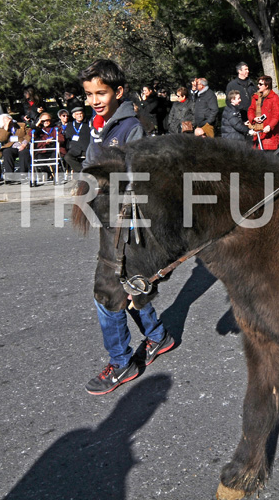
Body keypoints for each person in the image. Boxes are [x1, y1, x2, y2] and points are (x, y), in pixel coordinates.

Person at [78, 58, 174, 395]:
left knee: (107, 294)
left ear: (119, 91)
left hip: (127, 221)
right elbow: (91, 166)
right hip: (110, 218)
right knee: (131, 286)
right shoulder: (98, 125)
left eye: (100, 93)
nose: (94, 100)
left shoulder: (131, 127)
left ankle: (121, 363)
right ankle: (159, 337)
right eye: (89, 94)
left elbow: (137, 180)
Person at [247, 75, 279, 150]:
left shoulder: (274, 97)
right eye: (258, 83)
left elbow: (276, 114)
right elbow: (251, 109)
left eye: (260, 84)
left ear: (266, 86)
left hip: (269, 134)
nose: (258, 86)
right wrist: (253, 118)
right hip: (257, 131)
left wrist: (270, 126)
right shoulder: (256, 96)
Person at [0, 113, 32, 183]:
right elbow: (1, 139)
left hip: (22, 145)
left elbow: (29, 134)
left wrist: (24, 144)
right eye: (5, 120)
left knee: (24, 152)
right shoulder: (2, 129)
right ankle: (9, 177)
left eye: (8, 119)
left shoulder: (22, 125)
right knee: (6, 152)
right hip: (10, 146)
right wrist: (6, 128)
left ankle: (23, 175)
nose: (8, 121)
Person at [63, 105, 91, 174]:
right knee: (67, 157)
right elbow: (67, 136)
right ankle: (81, 170)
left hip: (86, 148)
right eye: (77, 114)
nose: (79, 115)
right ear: (74, 116)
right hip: (74, 148)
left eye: (81, 114)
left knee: (92, 157)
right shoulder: (70, 125)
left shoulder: (88, 123)